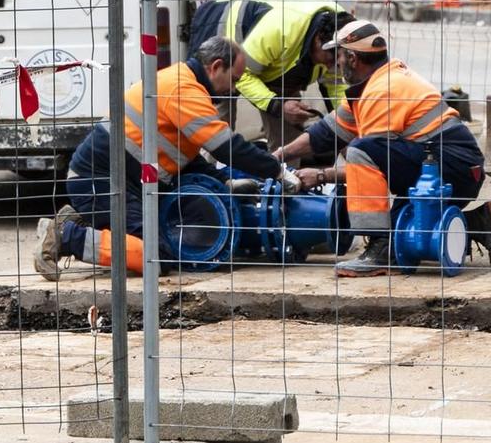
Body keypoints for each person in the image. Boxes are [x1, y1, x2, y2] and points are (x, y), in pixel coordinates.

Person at [35, 37, 298, 279]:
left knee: (165, 244)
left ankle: (81, 218)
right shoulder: (183, 88)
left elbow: (187, 155)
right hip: (100, 181)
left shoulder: (183, 82)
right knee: (157, 257)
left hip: (117, 182)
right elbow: (225, 146)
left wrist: (224, 181)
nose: (236, 89)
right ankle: (67, 235)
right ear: (217, 67)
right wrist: (276, 171)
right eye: (234, 79)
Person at [286, 20, 491, 277]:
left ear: (352, 58)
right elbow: (323, 134)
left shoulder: (381, 91)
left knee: (361, 151)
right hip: (453, 167)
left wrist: (321, 175)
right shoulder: (377, 83)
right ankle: (479, 223)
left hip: (449, 167)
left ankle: (381, 252)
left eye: (338, 55)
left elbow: (368, 163)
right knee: (404, 230)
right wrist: (280, 155)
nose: (336, 62)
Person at [186, 0, 351, 152]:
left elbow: (337, 91)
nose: (334, 64)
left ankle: (285, 176)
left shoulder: (342, 33)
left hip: (275, 57)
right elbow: (243, 77)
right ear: (318, 40)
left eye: (340, 58)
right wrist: (278, 106)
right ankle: (207, 176)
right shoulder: (281, 29)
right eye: (332, 58)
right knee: (217, 133)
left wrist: (345, 129)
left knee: (289, 135)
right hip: (220, 30)